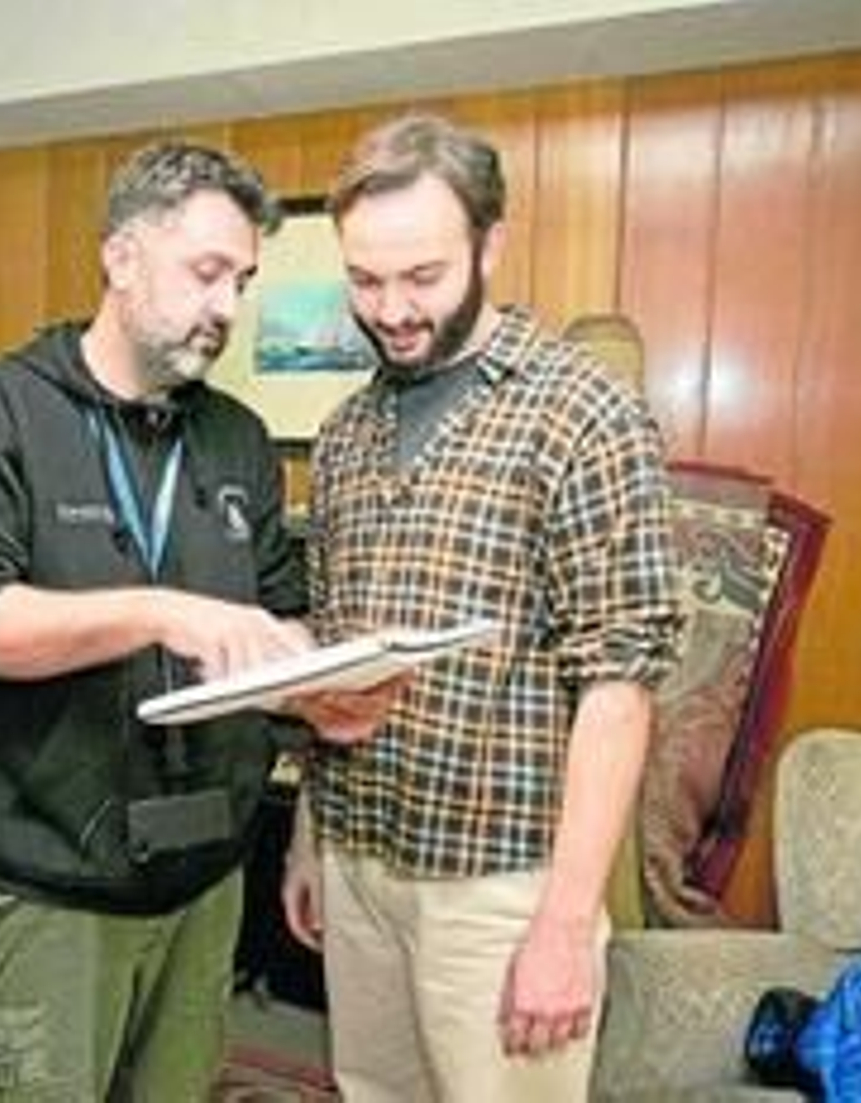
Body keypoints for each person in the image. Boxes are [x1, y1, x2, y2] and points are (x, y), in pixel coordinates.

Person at [0, 140, 389, 1100]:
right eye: (206, 272)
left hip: (205, 884)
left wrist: (316, 692)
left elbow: (276, 615)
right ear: (121, 258)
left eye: (242, 281)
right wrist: (158, 612)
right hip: (44, 892)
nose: (227, 306)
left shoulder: (238, 438)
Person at [282, 112, 683, 1101]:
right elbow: (333, 653)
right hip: (358, 853)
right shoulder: (344, 433)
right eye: (365, 280)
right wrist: (307, 836)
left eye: (422, 276)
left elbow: (620, 682)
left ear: (489, 245)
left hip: (502, 883)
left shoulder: (583, 413)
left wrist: (565, 924)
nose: (392, 310)